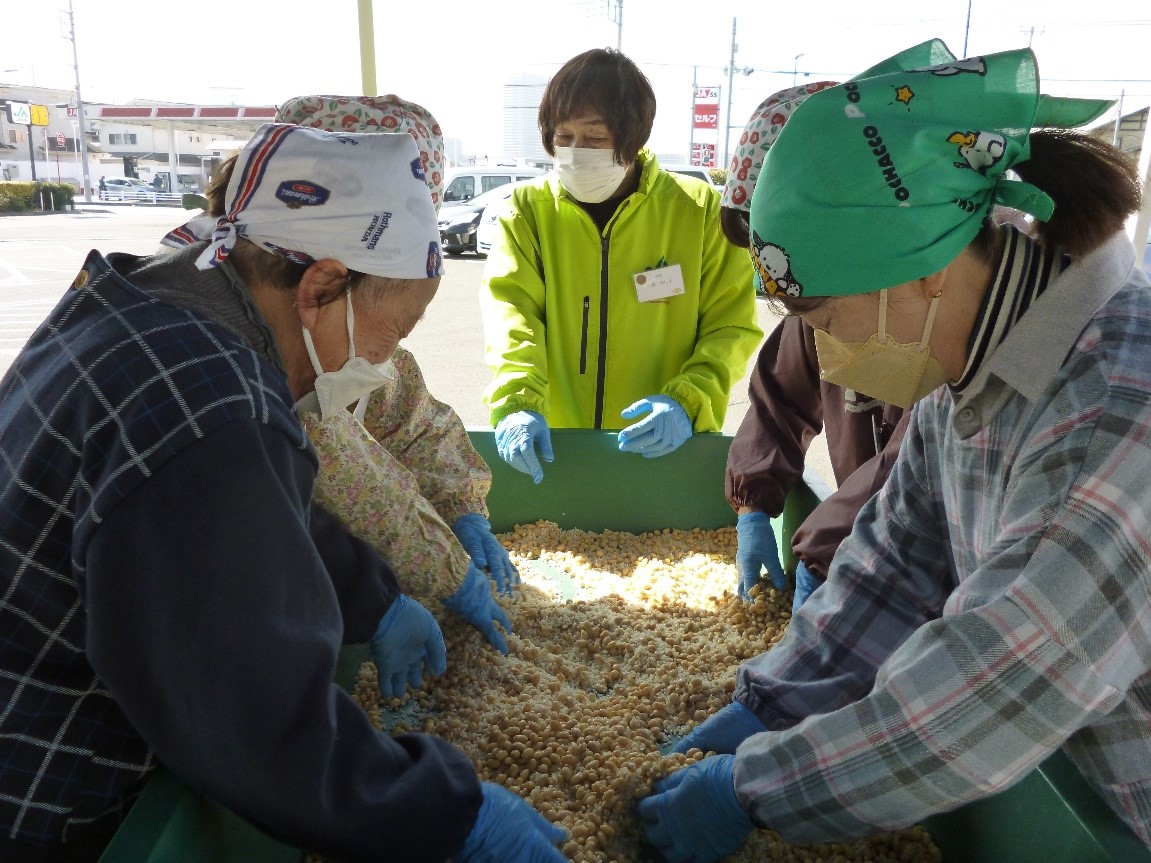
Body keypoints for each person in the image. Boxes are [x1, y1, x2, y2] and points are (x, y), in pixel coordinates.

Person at [638, 39, 1151, 861]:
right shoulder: (974, 370)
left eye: (826, 323)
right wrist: (776, 701)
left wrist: (757, 788)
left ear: (922, 273)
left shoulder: (1115, 402)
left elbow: (1000, 683)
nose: (827, 357)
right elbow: (899, 558)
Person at [0, 124, 567, 863]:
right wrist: (442, 813)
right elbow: (249, 714)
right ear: (322, 287)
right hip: (45, 785)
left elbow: (249, 515)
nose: (382, 362)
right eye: (388, 335)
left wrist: (373, 596)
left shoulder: (147, 302)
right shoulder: (213, 405)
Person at [162, 95, 520, 650]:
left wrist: (461, 503)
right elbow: (341, 474)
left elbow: (405, 412)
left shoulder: (295, 308)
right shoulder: (222, 364)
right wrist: (414, 585)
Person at [480, 48, 762, 483]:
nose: (576, 152)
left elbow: (731, 326)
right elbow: (512, 315)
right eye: (563, 136)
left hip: (667, 447)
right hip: (559, 448)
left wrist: (688, 401)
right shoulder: (528, 209)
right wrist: (518, 403)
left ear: (635, 136)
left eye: (595, 138)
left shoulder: (699, 210)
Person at [719, 81, 910, 610]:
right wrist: (754, 502)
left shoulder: (936, 312)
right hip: (863, 535)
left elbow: (917, 465)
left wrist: (829, 546)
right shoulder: (821, 292)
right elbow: (780, 396)